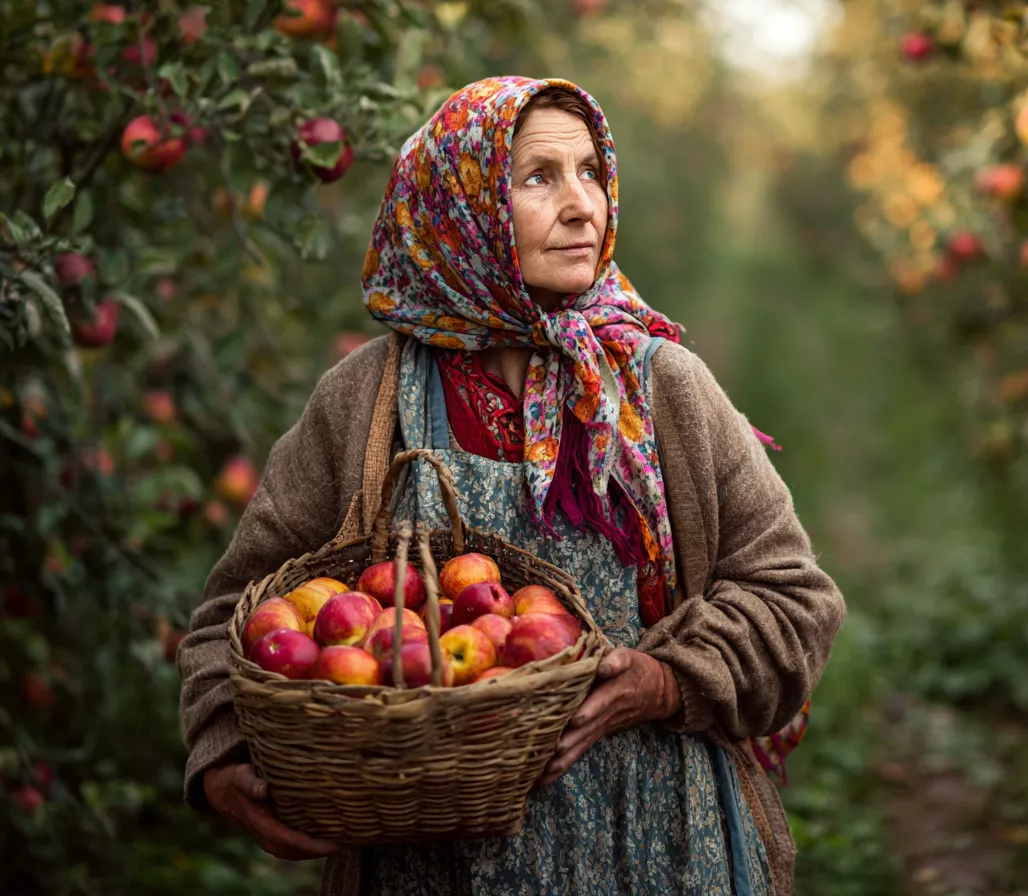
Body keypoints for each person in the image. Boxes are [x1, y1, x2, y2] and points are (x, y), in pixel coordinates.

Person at [177, 76, 845, 896]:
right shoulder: (366, 402)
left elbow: (794, 600)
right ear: (460, 209)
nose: (581, 205)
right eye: (537, 178)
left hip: (655, 848)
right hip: (428, 862)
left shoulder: (662, 386)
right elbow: (232, 612)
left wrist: (664, 680)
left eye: (591, 171)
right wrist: (220, 753)